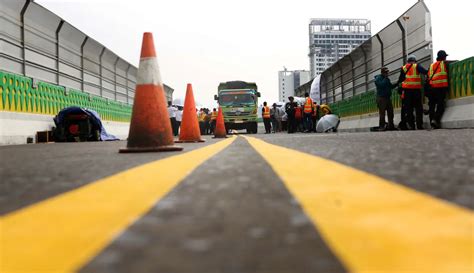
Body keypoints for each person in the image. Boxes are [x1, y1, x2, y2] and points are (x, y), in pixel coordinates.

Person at [398, 54, 428, 130]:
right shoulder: (417, 66)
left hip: (407, 92)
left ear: (408, 61)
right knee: (418, 109)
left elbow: (401, 79)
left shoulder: (404, 68)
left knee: (409, 109)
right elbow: (425, 72)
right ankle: (419, 125)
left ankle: (411, 126)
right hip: (416, 91)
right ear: (415, 60)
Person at [427, 50, 450, 129]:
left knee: (432, 106)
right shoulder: (444, 63)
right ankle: (435, 119)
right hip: (440, 87)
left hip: (431, 88)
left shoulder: (431, 65)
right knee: (440, 105)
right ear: (444, 57)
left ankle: (432, 123)